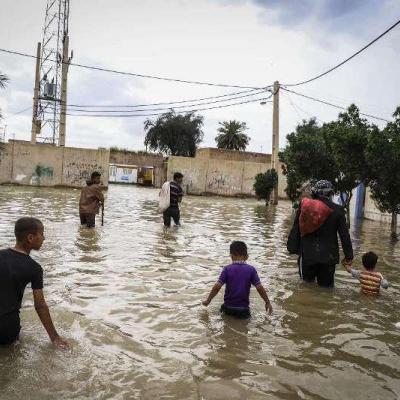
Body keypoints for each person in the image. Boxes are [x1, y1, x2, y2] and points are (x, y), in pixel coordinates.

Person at [0, 217, 69, 348]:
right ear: (30, 238)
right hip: (7, 327)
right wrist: (55, 337)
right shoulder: (34, 268)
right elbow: (40, 305)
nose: (44, 238)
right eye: (42, 234)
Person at [287, 180, 353, 287]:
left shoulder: (305, 207)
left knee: (306, 288)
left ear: (314, 192)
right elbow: (344, 236)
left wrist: (293, 247)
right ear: (331, 193)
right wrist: (349, 256)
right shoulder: (338, 210)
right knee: (326, 290)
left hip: (308, 256)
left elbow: (296, 228)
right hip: (329, 258)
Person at [202, 241, 272, 318]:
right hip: (243, 310)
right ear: (246, 257)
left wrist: (208, 300)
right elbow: (259, 288)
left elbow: (217, 287)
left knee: (224, 322)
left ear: (231, 256)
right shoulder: (251, 270)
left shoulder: (227, 269)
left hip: (228, 308)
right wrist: (267, 302)